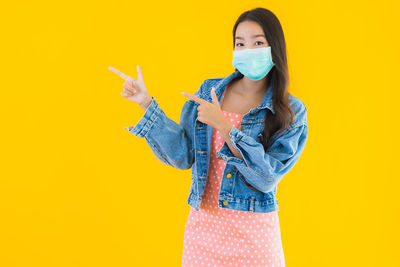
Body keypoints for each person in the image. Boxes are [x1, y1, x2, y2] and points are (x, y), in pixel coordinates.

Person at [110, 7, 308, 267]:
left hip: (255, 239)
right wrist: (146, 104)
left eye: (257, 42)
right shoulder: (210, 91)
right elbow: (183, 155)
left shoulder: (291, 111)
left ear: (274, 47)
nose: (248, 50)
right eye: (240, 43)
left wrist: (224, 126)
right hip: (204, 235)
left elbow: (267, 177)